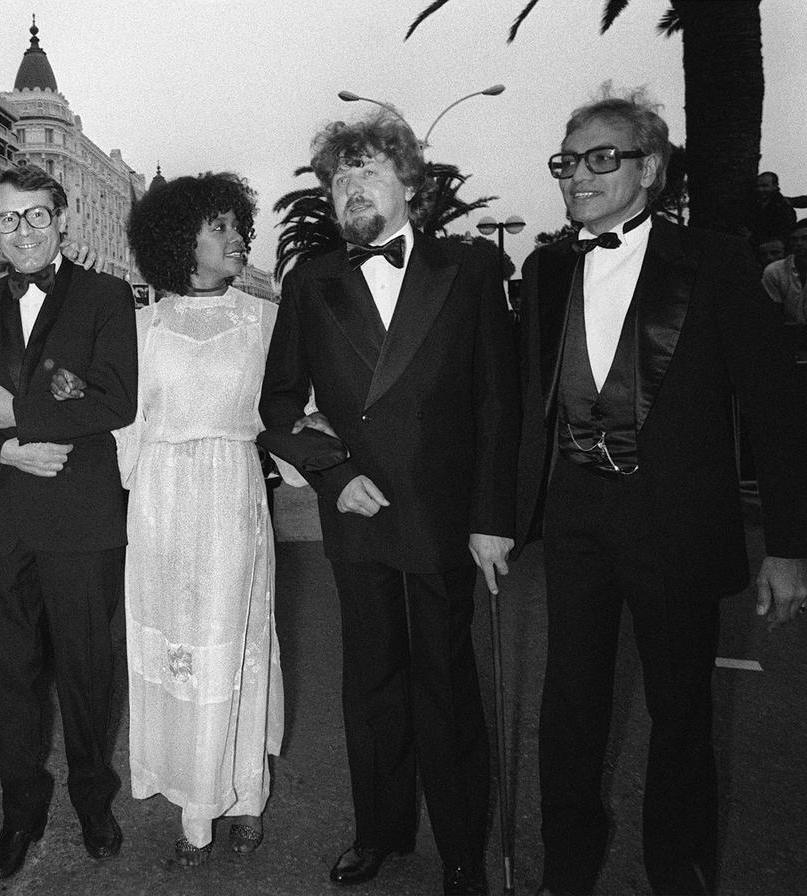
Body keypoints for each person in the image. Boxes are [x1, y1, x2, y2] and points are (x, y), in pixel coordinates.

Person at [515, 91, 807, 896]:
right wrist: (496, 519)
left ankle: (678, 874)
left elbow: (777, 409)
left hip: (674, 523)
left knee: (682, 718)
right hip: (577, 520)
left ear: (650, 167)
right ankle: (566, 871)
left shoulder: (713, 262)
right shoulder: (544, 271)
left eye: (601, 157)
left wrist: (787, 545)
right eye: (568, 160)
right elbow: (520, 403)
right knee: (569, 708)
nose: (578, 174)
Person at [259, 105, 519, 896]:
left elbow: (498, 406)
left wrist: (492, 519)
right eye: (339, 177)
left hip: (444, 519)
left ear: (410, 184)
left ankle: (464, 848)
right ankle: (380, 833)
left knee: (446, 684)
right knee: (369, 683)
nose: (349, 188)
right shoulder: (312, 282)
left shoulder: (469, 270)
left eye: (368, 170)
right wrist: (334, 474)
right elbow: (277, 405)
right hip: (358, 515)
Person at [0, 163, 136, 880]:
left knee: (88, 672)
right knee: (10, 677)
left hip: (81, 519)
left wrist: (18, 413)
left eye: (36, 216)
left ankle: (93, 799)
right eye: (7, 220)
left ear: (62, 221)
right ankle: (21, 811)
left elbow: (115, 400)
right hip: (0, 518)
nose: (22, 231)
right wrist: (8, 452)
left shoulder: (108, 298)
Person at [116, 172, 284, 865]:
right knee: (179, 653)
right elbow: (127, 424)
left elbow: (291, 406)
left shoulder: (265, 321)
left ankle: (244, 794)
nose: (236, 237)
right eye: (217, 227)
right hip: (161, 504)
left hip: (232, 500)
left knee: (234, 645)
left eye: (236, 224)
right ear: (178, 240)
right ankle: (193, 805)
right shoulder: (141, 327)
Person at [762, 218, 807, 326]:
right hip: (787, 334)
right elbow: (772, 313)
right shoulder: (775, 271)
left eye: (805, 238)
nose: (799, 243)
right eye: (794, 239)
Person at [752, 171, 800, 246]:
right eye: (758, 186)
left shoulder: (783, 208)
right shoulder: (756, 204)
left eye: (765, 186)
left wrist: (753, 237)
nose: (760, 189)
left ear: (775, 186)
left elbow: (783, 233)